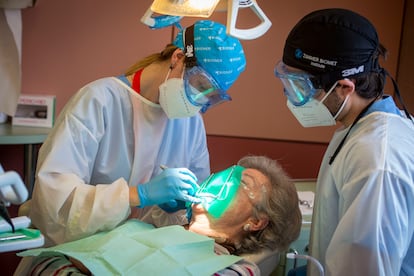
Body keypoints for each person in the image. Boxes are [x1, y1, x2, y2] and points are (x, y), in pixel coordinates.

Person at [25, 20, 246, 246]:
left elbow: (194, 212)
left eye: (211, 97)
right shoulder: (99, 100)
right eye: (200, 85)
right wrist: (138, 195)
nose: (199, 101)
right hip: (78, 249)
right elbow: (53, 203)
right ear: (178, 58)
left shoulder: (192, 124)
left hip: (141, 253)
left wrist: (182, 207)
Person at [274, 8, 414, 276]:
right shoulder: (359, 127)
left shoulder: (375, 159)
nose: (292, 97)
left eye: (301, 86)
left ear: (345, 87)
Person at [16, 155, 302, 276]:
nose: (224, 180)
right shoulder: (143, 228)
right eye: (228, 172)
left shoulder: (238, 268)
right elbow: (48, 261)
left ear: (255, 222)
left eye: (242, 183)